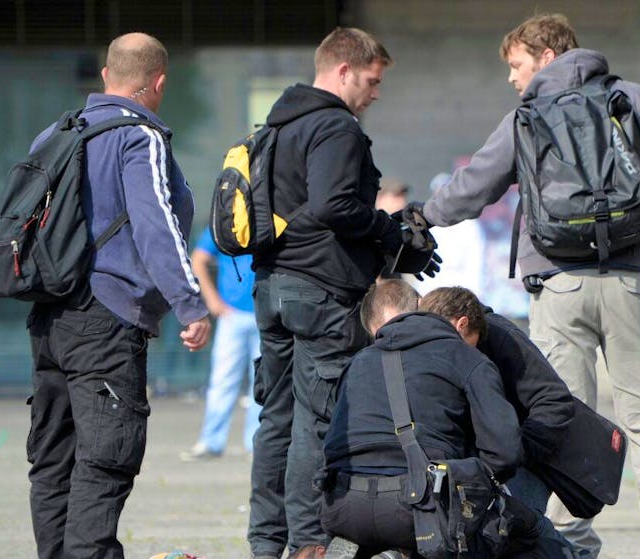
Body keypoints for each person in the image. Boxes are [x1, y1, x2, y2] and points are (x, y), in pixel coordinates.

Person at [415, 13, 640, 559]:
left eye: (516, 64)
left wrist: (422, 218)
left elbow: (473, 186)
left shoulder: (526, 115)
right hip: (630, 282)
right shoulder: (634, 100)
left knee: (561, 419)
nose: (512, 78)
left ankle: (570, 547)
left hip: (557, 284)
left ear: (548, 55)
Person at [25, 33, 211, 559]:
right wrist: (189, 303)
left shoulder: (54, 135)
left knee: (53, 456)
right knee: (106, 456)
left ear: (106, 76)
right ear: (159, 83)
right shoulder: (139, 137)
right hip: (106, 319)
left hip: (48, 315)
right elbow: (158, 225)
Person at [248, 28, 403, 559]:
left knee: (277, 420)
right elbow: (336, 204)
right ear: (343, 71)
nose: (375, 93)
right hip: (320, 293)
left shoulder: (275, 126)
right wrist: (387, 229)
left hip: (272, 286)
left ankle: (266, 543)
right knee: (317, 422)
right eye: (371, 80)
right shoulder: (336, 126)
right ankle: (309, 545)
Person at [319, 280, 524, 555]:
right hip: (416, 506)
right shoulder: (465, 357)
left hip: (343, 503)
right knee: (515, 530)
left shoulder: (358, 361)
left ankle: (379, 549)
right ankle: (401, 553)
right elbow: (505, 452)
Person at [418, 287, 575, 514]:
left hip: (514, 463)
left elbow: (553, 400)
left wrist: (517, 452)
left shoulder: (501, 338)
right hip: (453, 460)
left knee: (517, 531)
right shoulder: (419, 341)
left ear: (461, 325)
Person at [179, 226, 262, 461]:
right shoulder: (224, 218)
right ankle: (211, 441)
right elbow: (198, 259)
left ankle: (257, 445)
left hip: (266, 315)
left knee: (263, 383)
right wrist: (212, 300)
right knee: (223, 380)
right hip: (231, 315)